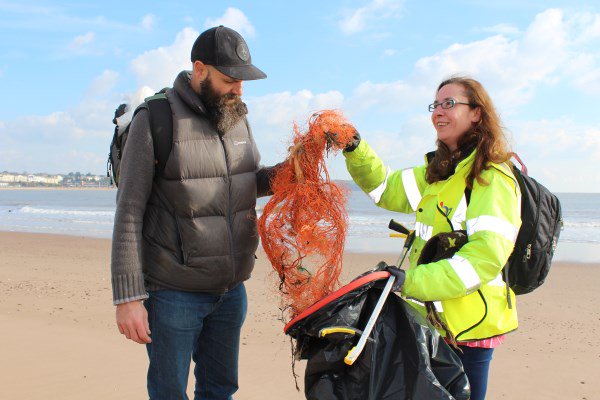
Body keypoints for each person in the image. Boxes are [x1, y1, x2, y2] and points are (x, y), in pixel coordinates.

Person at [110, 25, 275, 400]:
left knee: (220, 389)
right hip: (172, 293)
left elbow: (249, 183)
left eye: (243, 81)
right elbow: (130, 211)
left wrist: (293, 170)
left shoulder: (237, 117)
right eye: (230, 79)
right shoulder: (154, 117)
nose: (239, 89)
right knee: (169, 393)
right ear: (200, 69)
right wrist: (128, 299)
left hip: (231, 292)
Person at [343, 76, 521, 400]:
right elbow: (384, 188)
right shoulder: (438, 172)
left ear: (477, 113)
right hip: (432, 322)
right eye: (435, 104)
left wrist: (409, 281)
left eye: (449, 103)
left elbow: (483, 258)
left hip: (470, 327)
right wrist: (355, 147)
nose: (439, 111)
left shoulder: (490, 176)